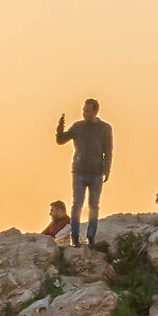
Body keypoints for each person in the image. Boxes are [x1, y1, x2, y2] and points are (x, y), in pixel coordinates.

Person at [54, 99, 113, 246]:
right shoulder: (78, 126)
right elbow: (61, 140)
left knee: (93, 206)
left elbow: (108, 151)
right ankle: (75, 238)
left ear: (95, 111)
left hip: (96, 172)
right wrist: (60, 128)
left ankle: (91, 237)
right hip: (79, 171)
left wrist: (106, 169)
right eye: (83, 110)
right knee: (77, 205)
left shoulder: (104, 128)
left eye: (87, 110)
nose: (84, 113)